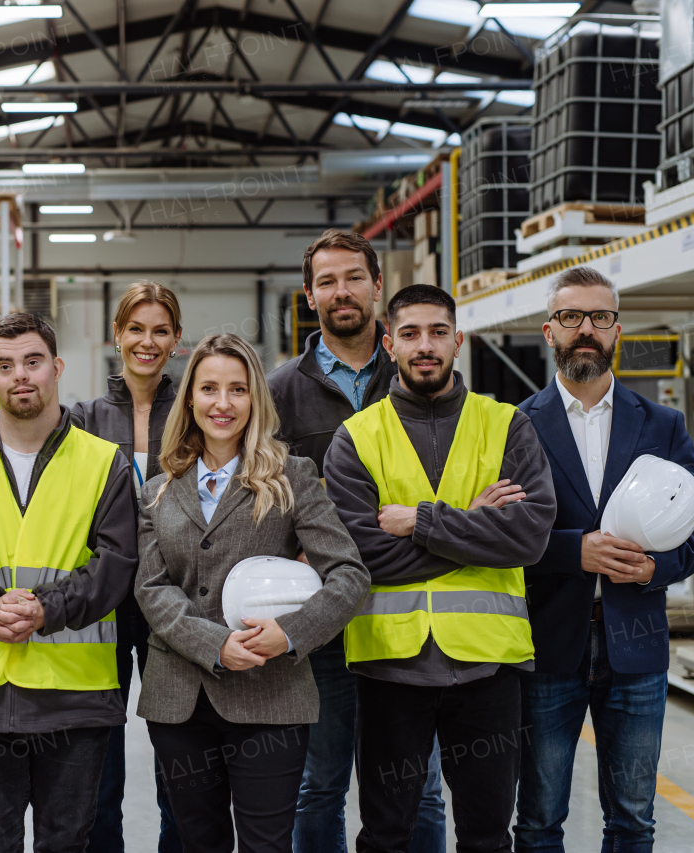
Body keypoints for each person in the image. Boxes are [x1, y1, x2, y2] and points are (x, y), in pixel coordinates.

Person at [325, 285, 557, 853]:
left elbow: (528, 537)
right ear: (389, 344)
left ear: (458, 340)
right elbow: (362, 554)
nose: (424, 345)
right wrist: (474, 524)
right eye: (409, 334)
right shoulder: (357, 438)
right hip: (390, 670)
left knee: (485, 836)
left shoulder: (508, 426)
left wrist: (422, 522)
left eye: (436, 333)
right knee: (384, 835)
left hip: (488, 668)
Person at [514, 268, 694, 853]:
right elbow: (497, 533)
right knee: (537, 820)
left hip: (634, 643)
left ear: (616, 330)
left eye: (600, 318)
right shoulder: (514, 425)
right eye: (570, 317)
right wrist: (572, 550)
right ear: (548, 331)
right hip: (546, 645)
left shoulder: (661, 424)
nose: (586, 329)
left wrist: (658, 569)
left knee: (633, 819)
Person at [136, 332, 370, 853]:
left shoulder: (292, 477)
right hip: (180, 698)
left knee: (267, 844)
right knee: (198, 840)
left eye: (238, 390)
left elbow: (350, 576)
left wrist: (288, 634)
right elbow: (152, 589)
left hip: (272, 695)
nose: (223, 404)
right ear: (190, 397)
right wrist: (212, 644)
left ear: (255, 399)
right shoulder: (157, 489)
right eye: (210, 389)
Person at [267, 229, 446, 853]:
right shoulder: (278, 391)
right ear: (309, 297)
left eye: (352, 277)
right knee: (318, 783)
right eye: (325, 282)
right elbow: (262, 498)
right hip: (319, 620)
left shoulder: (421, 376)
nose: (340, 291)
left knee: (418, 783)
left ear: (377, 286)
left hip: (403, 609)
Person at [0, 312, 138, 853]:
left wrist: (46, 609)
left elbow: (117, 564)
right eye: (4, 365)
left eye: (32, 362)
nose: (20, 375)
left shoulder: (105, 463)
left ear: (56, 368)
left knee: (67, 842)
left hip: (74, 698)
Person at [71, 280, 184, 853]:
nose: (147, 341)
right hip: (105, 605)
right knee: (99, 761)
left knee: (178, 758)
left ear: (176, 339)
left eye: (160, 330)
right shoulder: (84, 417)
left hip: (176, 603)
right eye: (136, 329)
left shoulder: (193, 413)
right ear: (117, 335)